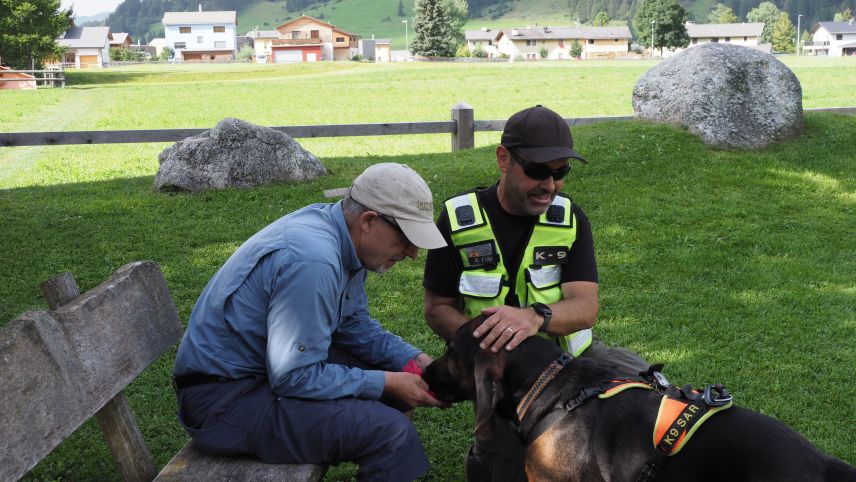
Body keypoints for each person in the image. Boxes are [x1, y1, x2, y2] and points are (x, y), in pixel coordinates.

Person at [173, 163, 447, 481]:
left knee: (392, 381)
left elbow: (352, 325)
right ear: (369, 221)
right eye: (406, 238)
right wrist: (385, 382)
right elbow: (293, 376)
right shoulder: (313, 261)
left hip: (256, 376)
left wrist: (414, 361)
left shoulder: (343, 234)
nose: (413, 253)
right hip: (224, 404)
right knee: (392, 435)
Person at [422, 105, 650, 481]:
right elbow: (438, 308)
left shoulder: (569, 219)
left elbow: (585, 306)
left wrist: (535, 317)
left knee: (651, 403)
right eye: (538, 172)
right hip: (500, 375)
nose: (551, 185)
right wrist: (486, 345)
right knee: (504, 469)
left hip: (573, 364)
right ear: (503, 159)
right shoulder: (459, 220)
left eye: (561, 173)